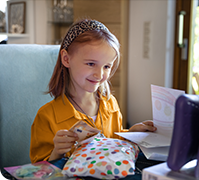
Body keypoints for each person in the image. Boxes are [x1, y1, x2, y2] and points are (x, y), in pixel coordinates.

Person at [30, 18, 157, 163]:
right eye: (91, 64)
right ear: (66, 59)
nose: (99, 74)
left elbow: (114, 141)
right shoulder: (46, 117)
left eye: (106, 67)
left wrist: (131, 134)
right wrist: (56, 153)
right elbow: (37, 169)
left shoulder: (110, 105)